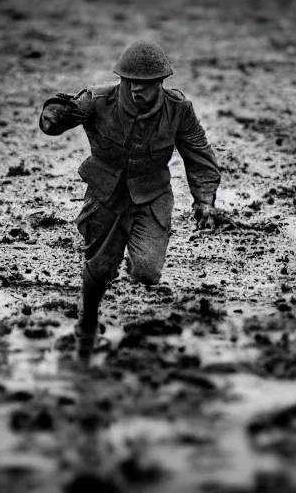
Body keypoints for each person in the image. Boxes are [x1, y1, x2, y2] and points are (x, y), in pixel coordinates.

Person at [39, 40, 222, 358]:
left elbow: (199, 155)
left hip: (151, 195)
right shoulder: (97, 100)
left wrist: (204, 201)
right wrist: (53, 118)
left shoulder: (178, 110)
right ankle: (87, 323)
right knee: (100, 267)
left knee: (147, 272)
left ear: (161, 83)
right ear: (121, 80)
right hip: (105, 194)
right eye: (131, 81)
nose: (138, 89)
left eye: (147, 84)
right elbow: (56, 118)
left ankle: (132, 256)